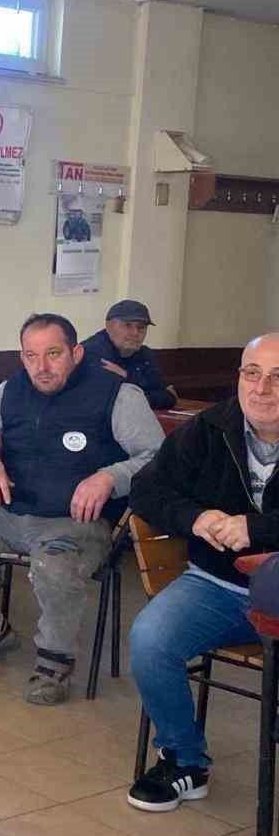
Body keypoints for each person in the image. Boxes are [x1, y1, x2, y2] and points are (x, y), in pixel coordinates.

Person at [0, 313, 163, 705]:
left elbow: (157, 457)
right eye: (30, 356)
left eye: (53, 354)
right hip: (9, 513)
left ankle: (54, 662)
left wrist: (110, 477)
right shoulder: (12, 390)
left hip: (79, 523)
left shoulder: (118, 395)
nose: (40, 367)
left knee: (53, 565)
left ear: (76, 353)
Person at [123, 332, 279, 810]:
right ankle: (186, 762)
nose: (261, 388)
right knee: (150, 639)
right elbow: (146, 491)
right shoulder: (209, 428)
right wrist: (198, 518)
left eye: (277, 378)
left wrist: (255, 527)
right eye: (251, 374)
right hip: (218, 585)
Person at [82, 298, 177, 409]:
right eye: (127, 325)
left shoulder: (146, 354)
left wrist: (126, 376)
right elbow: (110, 403)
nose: (135, 333)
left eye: (141, 327)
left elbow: (168, 398)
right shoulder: (92, 352)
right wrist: (146, 393)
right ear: (109, 326)